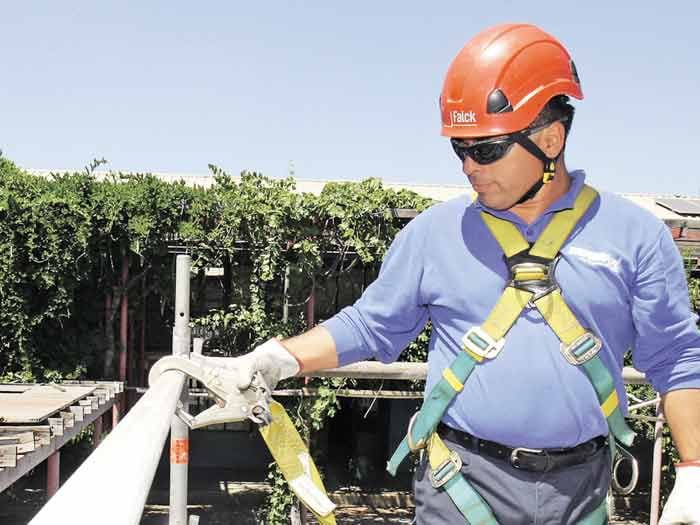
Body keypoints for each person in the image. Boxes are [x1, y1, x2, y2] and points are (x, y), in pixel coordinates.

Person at [206, 23, 700, 524]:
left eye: (485, 149)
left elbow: (677, 357)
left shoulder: (633, 237)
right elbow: (369, 325)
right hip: (462, 482)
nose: (468, 166)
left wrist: (695, 471)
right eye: (458, 147)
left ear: (551, 139)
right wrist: (275, 360)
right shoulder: (434, 235)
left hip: (579, 492)